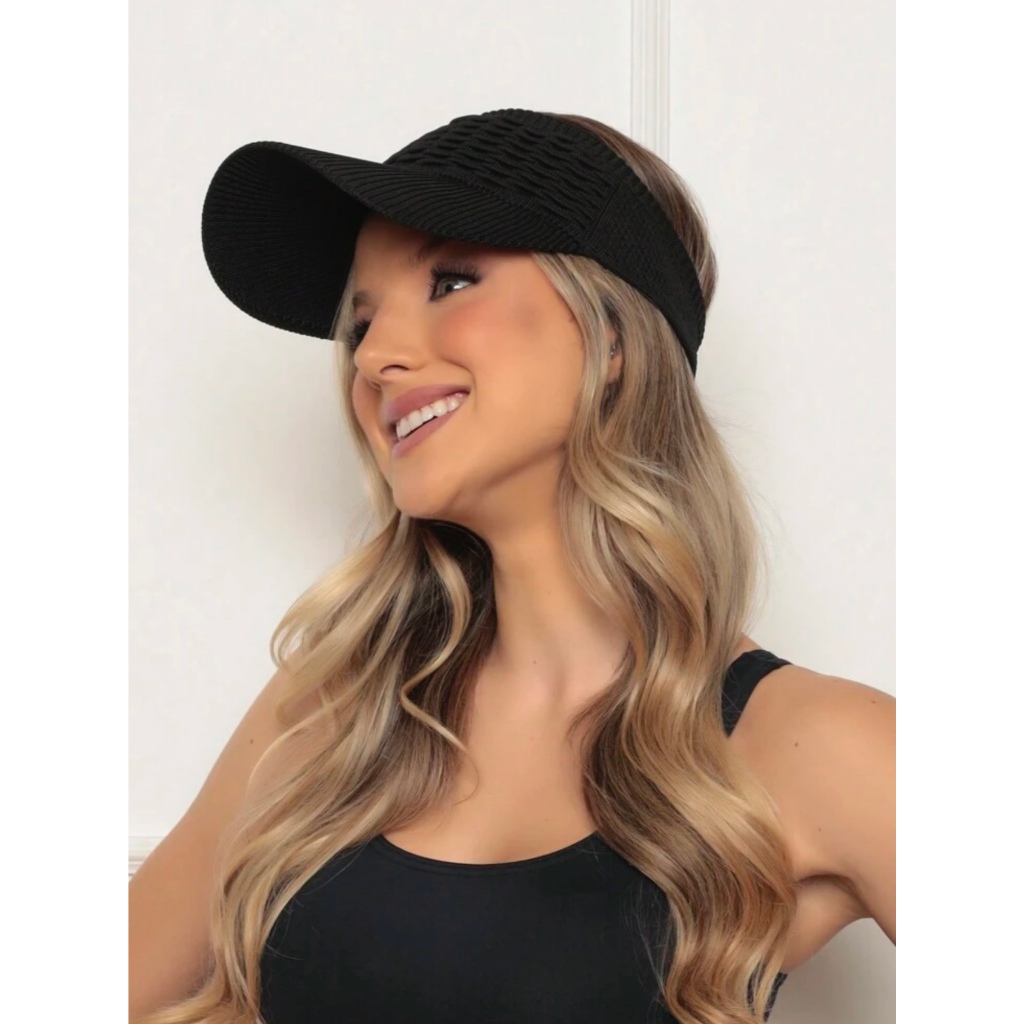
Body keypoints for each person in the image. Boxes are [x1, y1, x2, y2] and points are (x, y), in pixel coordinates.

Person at [129, 108, 895, 1024]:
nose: (376, 358)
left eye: (451, 281)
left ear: (612, 335)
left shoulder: (820, 746)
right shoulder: (333, 707)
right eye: (361, 325)